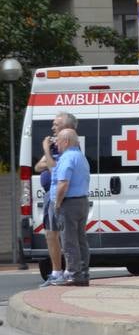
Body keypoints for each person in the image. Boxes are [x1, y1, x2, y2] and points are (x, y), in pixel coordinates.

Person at [47, 127, 91, 287]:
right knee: (80, 240)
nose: (56, 144)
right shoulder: (80, 156)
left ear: (66, 141)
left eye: (57, 140)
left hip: (69, 203)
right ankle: (83, 273)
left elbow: (63, 183)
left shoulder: (67, 158)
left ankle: (73, 275)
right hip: (81, 202)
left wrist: (57, 203)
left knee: (69, 241)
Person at [35, 112, 74, 286]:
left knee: (64, 235)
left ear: (66, 126)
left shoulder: (68, 146)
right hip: (50, 193)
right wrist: (48, 159)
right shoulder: (54, 146)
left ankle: (66, 272)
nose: (52, 127)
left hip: (59, 193)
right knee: (51, 234)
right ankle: (57, 271)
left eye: (56, 124)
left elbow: (55, 170)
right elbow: (38, 166)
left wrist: (45, 150)